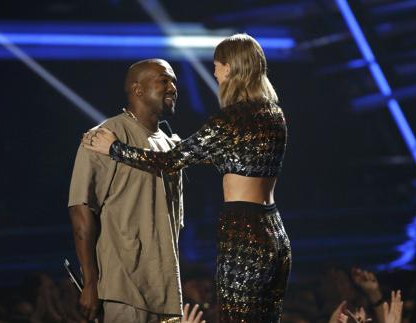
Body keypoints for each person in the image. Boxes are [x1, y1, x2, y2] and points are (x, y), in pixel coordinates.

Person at [84, 33, 291, 322]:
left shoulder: (230, 119)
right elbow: (234, 157)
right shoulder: (274, 114)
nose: (215, 73)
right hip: (275, 233)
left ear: (230, 67)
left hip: (244, 232)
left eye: (217, 65)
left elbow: (170, 161)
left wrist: (114, 148)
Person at [68, 58, 189, 323]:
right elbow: (81, 212)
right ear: (138, 89)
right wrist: (90, 282)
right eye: (164, 80)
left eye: (175, 82)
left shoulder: (171, 146)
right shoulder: (104, 137)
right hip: (124, 291)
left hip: (166, 294)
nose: (172, 87)